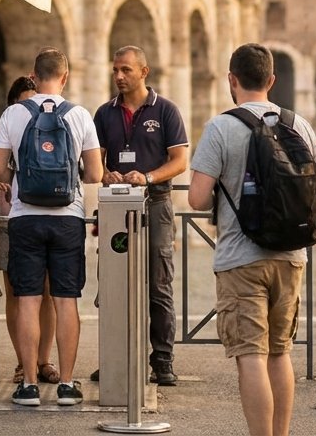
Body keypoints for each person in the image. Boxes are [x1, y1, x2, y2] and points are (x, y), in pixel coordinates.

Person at [188, 43, 316, 436]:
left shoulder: (221, 127)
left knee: (251, 355)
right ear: (271, 80)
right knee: (280, 353)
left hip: (240, 257)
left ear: (231, 80)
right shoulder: (299, 125)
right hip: (292, 255)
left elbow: (196, 198)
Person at [0, 48, 104, 407]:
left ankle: (28, 385)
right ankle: (67, 384)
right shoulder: (80, 115)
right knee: (65, 300)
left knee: (28, 299)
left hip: (25, 217)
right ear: (65, 77)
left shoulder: (13, 114)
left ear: (33, 76)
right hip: (68, 217)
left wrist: (19, 172)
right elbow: (95, 174)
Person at [91, 45, 189, 385]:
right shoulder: (104, 113)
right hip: (115, 206)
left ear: (144, 72)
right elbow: (96, 160)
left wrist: (147, 177)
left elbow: (180, 161)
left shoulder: (166, 111)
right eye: (115, 70)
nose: (118, 76)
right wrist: (106, 175)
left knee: (159, 284)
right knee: (114, 282)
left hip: (156, 203)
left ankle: (162, 360)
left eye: (126, 70)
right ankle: (115, 359)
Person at [0, 75, 61, 385]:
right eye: (24, 104)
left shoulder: (52, 130)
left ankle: (44, 361)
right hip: (8, 221)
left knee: (47, 291)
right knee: (17, 293)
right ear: (12, 106)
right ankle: (24, 362)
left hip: (44, 215)